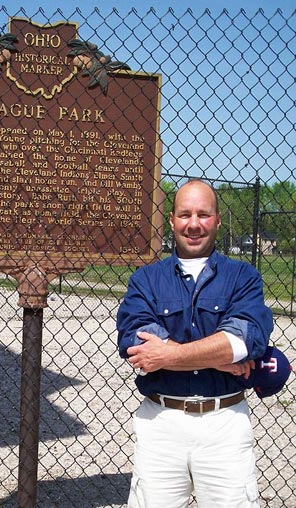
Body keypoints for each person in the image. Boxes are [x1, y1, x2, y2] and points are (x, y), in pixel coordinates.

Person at [117, 179, 275, 508]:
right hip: (161, 423)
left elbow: (247, 338)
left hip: (224, 422)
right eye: (185, 214)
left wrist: (171, 353)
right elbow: (137, 343)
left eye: (203, 214)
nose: (193, 224)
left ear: (218, 220)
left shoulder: (243, 277)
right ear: (171, 219)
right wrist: (219, 355)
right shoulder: (145, 279)